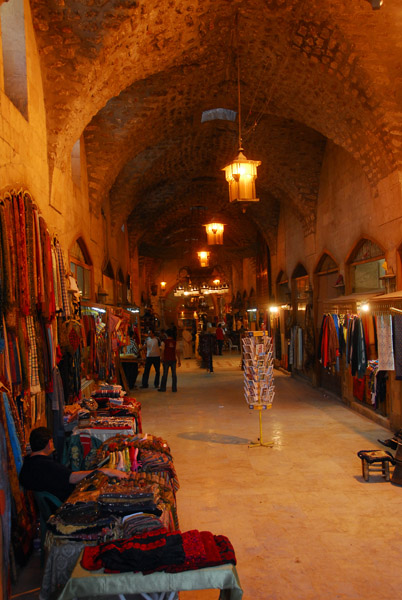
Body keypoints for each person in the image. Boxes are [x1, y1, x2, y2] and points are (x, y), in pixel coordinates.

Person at [19, 427, 128, 502]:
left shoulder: (28, 463)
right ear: (48, 444)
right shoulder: (47, 466)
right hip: (63, 503)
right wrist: (104, 471)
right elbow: (73, 477)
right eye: (51, 441)